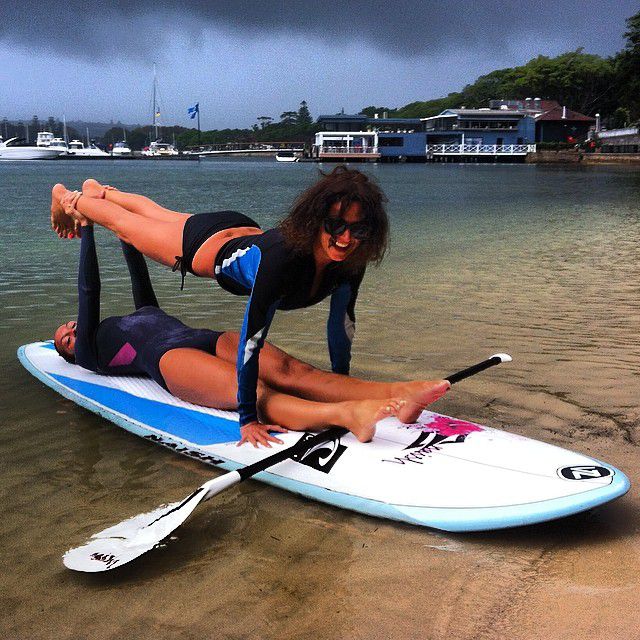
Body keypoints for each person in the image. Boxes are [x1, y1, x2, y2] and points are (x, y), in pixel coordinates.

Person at [50, 169, 450, 445]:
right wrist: (248, 419)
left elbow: (340, 326)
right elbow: (251, 342)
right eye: (335, 226)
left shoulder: (349, 263)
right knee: (129, 220)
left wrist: (337, 381)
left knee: (151, 218)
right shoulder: (282, 262)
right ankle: (76, 197)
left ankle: (402, 393)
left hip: (231, 235)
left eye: (357, 229)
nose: (345, 239)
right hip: (197, 248)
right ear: (315, 220)